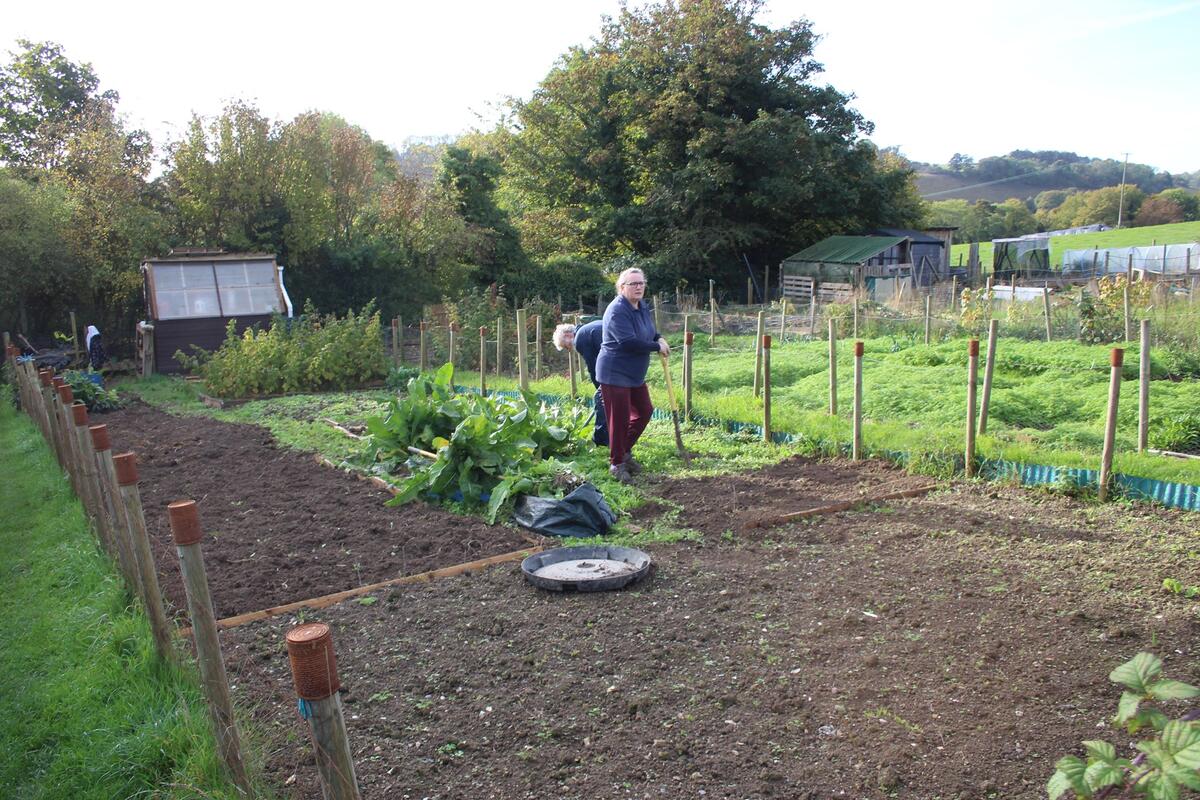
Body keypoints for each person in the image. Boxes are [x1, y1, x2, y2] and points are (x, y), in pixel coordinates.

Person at [595, 268, 668, 483]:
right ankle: (616, 464)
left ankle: (623, 452)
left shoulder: (641, 306)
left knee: (644, 411)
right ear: (621, 287)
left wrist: (659, 338)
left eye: (641, 283)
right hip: (614, 372)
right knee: (619, 420)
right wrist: (656, 346)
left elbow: (649, 330)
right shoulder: (617, 310)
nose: (638, 287)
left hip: (634, 374)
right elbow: (628, 342)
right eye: (633, 284)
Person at [552, 319, 607, 446]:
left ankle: (600, 442)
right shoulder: (589, 328)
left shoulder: (581, 337)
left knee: (600, 398)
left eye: (567, 347)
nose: (570, 349)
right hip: (625, 358)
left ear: (568, 335)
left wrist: (600, 388)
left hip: (618, 361)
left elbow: (593, 368)